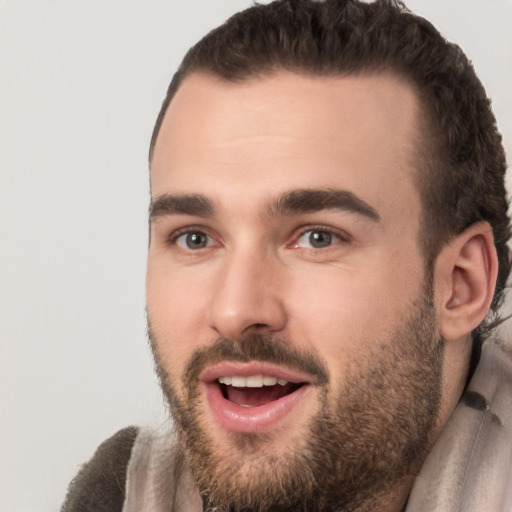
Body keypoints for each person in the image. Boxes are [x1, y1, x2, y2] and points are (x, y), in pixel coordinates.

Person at [61, 0, 512, 511]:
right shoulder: (120, 498)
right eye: (195, 238)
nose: (235, 311)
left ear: (460, 284)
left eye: (317, 238)